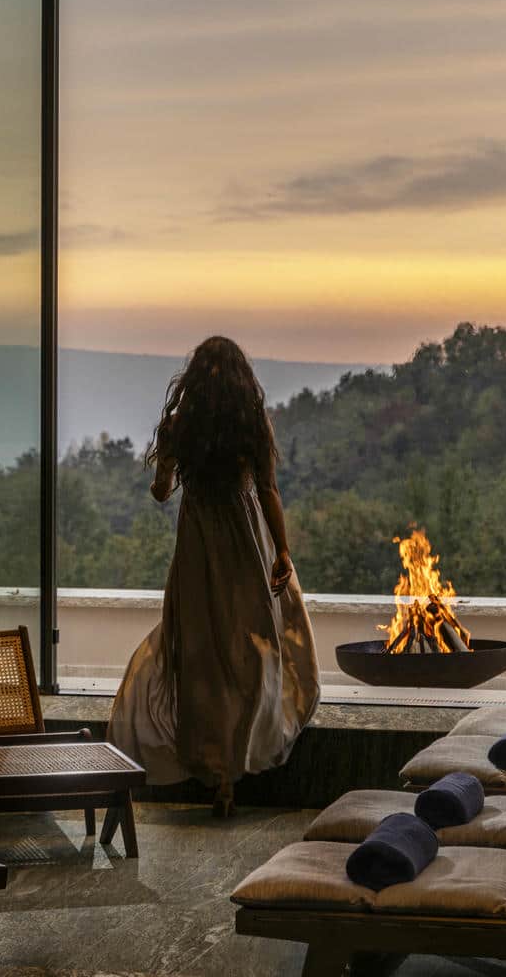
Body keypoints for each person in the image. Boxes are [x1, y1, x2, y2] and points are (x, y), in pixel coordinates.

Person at [108, 335, 320, 816]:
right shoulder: (250, 423)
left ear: (193, 380)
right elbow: (268, 490)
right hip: (245, 541)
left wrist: (163, 474)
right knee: (251, 644)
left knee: (202, 654)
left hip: (199, 547)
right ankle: (244, 752)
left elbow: (162, 493)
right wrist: (282, 549)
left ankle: (217, 774)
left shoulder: (180, 426)